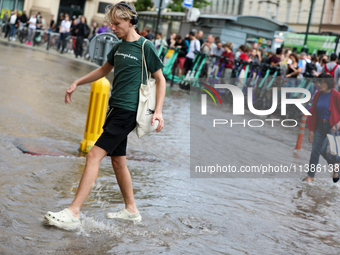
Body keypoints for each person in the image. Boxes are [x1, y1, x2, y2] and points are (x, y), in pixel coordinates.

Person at [44, 1, 166, 229]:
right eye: (111, 23)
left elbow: (160, 79)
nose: (112, 27)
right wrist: (76, 82)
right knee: (119, 162)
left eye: (116, 23)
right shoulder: (118, 47)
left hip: (129, 111)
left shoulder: (145, 46)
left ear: (130, 22)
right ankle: (131, 210)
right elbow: (103, 70)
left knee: (93, 156)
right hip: (114, 110)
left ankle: (73, 212)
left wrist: (158, 111)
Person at [306, 73, 340, 182]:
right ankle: (310, 177)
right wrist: (311, 130)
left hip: (332, 126)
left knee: (325, 150)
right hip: (320, 126)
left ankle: (336, 166)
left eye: (320, 82)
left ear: (326, 83)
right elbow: (313, 111)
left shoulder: (336, 95)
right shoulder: (317, 94)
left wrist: (338, 125)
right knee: (314, 151)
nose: (318, 84)